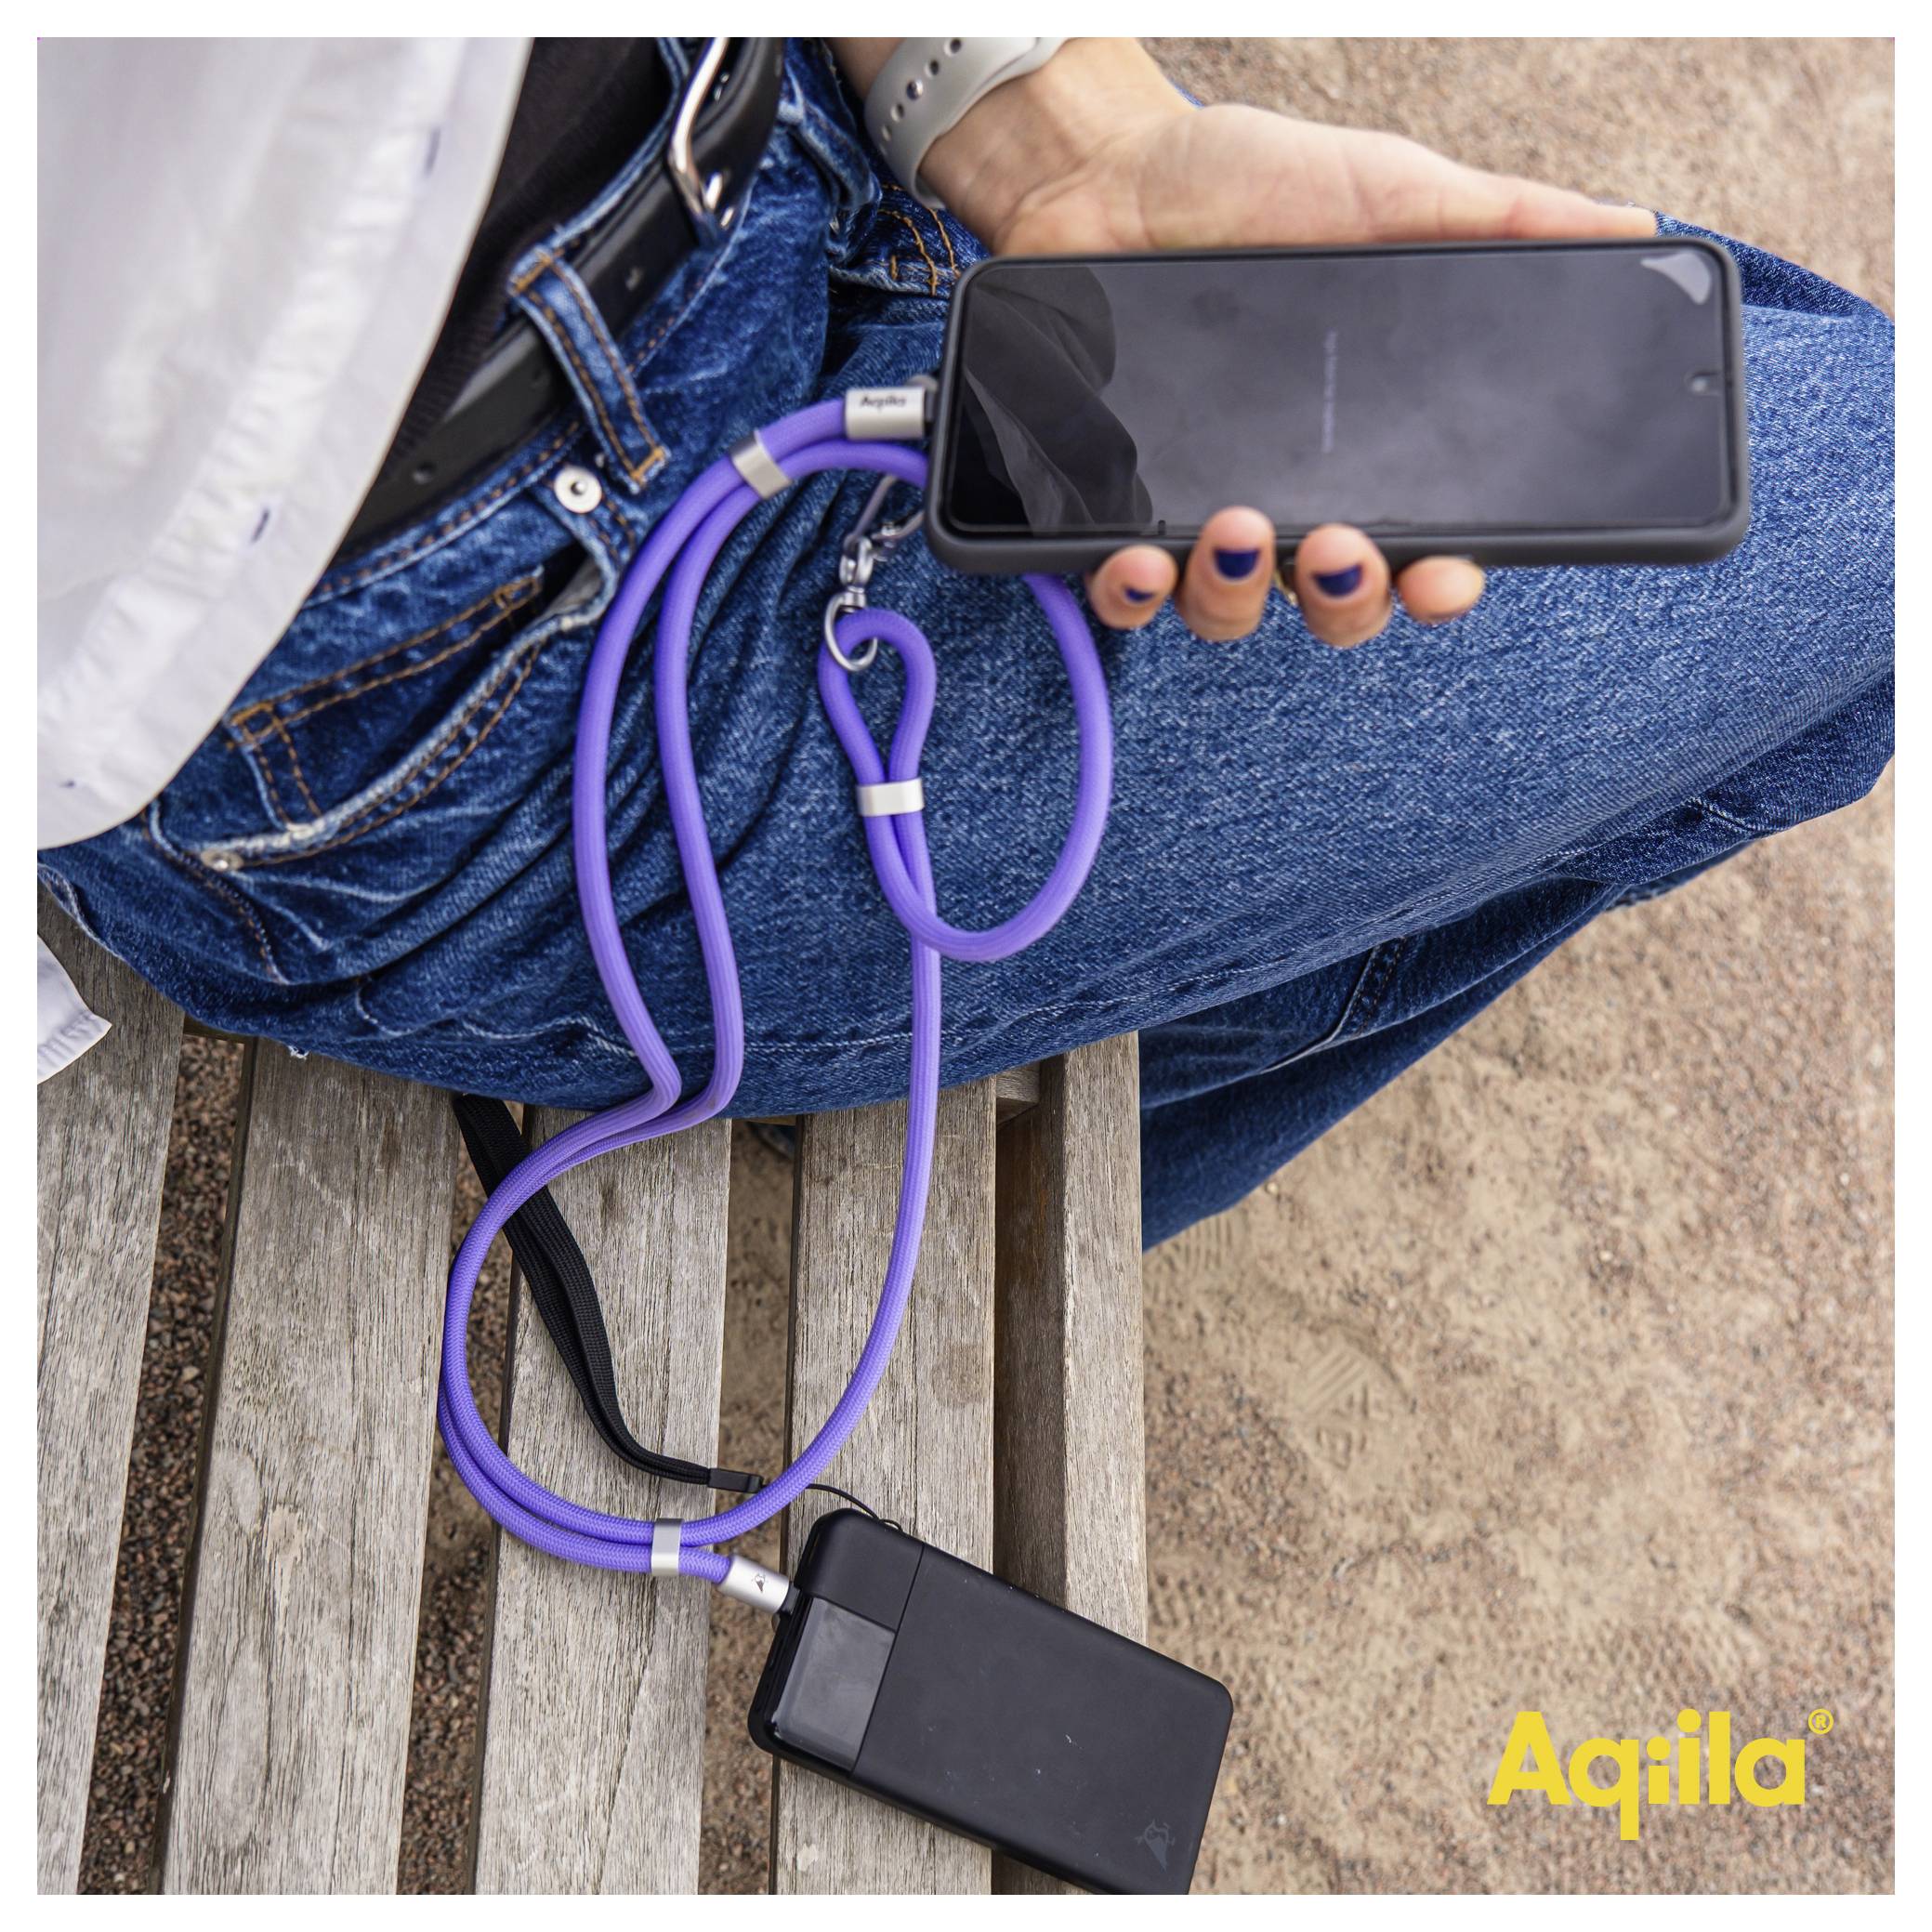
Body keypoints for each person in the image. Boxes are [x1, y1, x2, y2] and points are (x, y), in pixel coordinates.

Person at [37, 37, 1893, 1244]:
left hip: (766, 138)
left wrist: (1022, 96)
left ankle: (1026, 1086)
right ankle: (1027, 1133)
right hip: (422, 702)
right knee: (1845, 478)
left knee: (1727, 378)